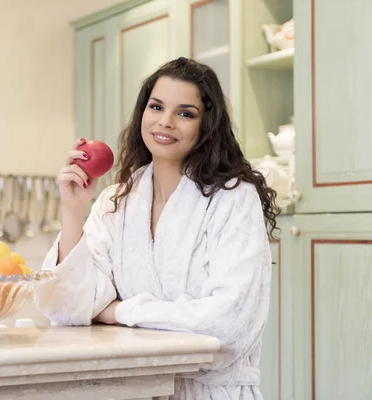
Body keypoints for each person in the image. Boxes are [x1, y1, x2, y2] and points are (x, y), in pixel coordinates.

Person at [34, 57, 280, 400]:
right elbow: (68, 308)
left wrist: (120, 310)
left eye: (185, 113)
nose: (165, 122)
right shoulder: (114, 201)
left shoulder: (233, 200)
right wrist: (73, 211)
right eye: (156, 106)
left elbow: (227, 322)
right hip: (133, 391)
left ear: (206, 125)